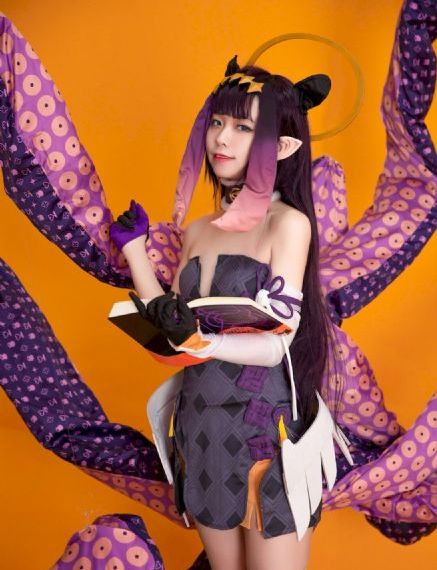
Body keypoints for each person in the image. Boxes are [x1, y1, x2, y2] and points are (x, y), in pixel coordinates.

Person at [109, 59, 343, 570]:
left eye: (243, 127)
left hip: (266, 431)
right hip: (200, 425)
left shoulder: (289, 224)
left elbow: (279, 341)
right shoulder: (197, 230)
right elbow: (169, 324)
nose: (222, 137)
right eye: (217, 121)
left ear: (282, 147)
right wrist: (133, 251)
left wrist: (206, 342)